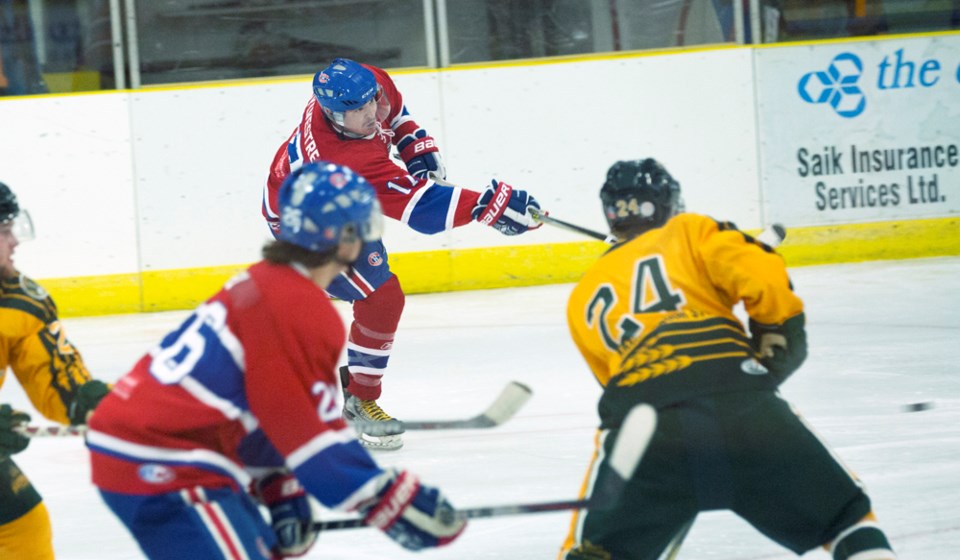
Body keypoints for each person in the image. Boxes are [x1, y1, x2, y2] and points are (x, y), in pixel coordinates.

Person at [87, 161, 467, 560]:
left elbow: (271, 407)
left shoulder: (265, 281)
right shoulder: (301, 309)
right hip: (164, 458)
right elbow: (313, 440)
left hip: (155, 443)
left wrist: (278, 484)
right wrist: (388, 498)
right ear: (347, 238)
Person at [559, 159, 897, 560]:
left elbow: (615, 382)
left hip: (642, 430)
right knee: (846, 522)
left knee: (593, 554)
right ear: (669, 203)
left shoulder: (582, 297)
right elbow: (760, 272)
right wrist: (776, 333)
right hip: (741, 405)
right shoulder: (690, 230)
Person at [262, 57, 543, 450]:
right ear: (332, 113)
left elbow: (395, 114)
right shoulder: (340, 159)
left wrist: (416, 147)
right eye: (357, 111)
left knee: (381, 297)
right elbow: (421, 210)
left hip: (339, 203)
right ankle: (359, 400)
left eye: (370, 101)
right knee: (381, 296)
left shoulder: (368, 84)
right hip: (307, 225)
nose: (370, 114)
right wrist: (487, 205)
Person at [0, 180, 109, 559]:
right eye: (3, 230)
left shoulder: (17, 301)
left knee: (23, 525)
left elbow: (53, 373)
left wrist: (86, 403)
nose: (14, 240)